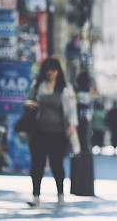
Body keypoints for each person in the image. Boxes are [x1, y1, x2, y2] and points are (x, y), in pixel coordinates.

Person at [22, 56, 78, 207]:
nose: (49, 72)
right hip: (39, 132)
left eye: (53, 69)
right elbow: (26, 102)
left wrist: (72, 125)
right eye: (47, 69)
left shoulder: (65, 88)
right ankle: (36, 196)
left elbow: (72, 108)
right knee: (37, 165)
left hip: (58, 133)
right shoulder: (38, 85)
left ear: (58, 71)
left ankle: (60, 195)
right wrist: (29, 104)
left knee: (57, 164)